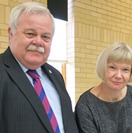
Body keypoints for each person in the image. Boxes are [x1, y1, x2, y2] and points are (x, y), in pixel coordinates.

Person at [0, 2, 78, 133]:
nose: (38, 41)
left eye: (45, 37)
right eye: (30, 34)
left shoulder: (56, 75)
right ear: (11, 33)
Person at [75, 42, 132, 133]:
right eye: (112, 67)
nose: (119, 75)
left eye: (125, 70)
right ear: (102, 67)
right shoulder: (86, 104)